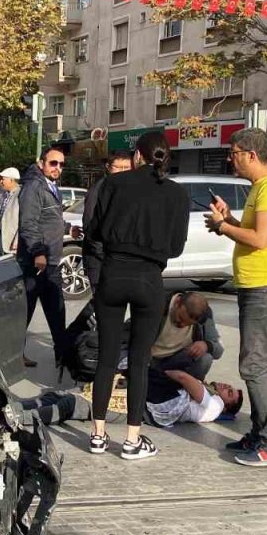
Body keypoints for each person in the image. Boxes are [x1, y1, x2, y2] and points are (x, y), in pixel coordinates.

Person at [85, 132, 190, 459]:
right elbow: (175, 247)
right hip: (149, 279)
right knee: (140, 361)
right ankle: (132, 440)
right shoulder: (178, 194)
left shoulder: (114, 184)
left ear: (138, 156)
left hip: (113, 273)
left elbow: (96, 230)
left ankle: (98, 435)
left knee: (106, 358)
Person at [205, 128, 267, 467]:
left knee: (254, 366)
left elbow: (260, 239)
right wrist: (229, 218)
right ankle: (261, 433)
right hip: (255, 286)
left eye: (234, 152)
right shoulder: (261, 188)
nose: (231, 158)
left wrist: (223, 226)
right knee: (252, 365)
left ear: (252, 155)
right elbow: (254, 236)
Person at [18, 148, 75, 369]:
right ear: (41, 163)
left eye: (61, 164)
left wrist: (69, 229)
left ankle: (62, 356)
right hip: (36, 262)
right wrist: (38, 252)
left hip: (50, 261)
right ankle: (14, 356)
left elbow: (50, 219)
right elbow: (28, 224)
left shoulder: (51, 186)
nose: (57, 168)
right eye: (53, 163)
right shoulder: (34, 186)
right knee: (26, 312)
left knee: (56, 311)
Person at [145, 291, 224, 404]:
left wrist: (206, 345)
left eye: (188, 324)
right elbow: (128, 333)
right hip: (149, 360)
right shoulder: (159, 303)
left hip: (176, 362)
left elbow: (219, 351)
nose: (181, 325)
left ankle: (185, 394)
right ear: (177, 303)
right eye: (180, 318)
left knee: (205, 358)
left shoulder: (204, 316)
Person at [76, 150, 133, 292]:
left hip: (117, 260)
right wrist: (107, 256)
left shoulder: (126, 189)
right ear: (108, 167)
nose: (123, 171)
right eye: (118, 167)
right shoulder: (99, 190)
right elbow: (90, 227)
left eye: (127, 167)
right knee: (102, 304)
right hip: (101, 260)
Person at [146, 370, 243, 428]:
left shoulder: (217, 406)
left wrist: (160, 371)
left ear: (225, 408)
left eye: (229, 393)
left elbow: (183, 377)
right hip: (162, 401)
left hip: (163, 401)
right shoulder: (213, 398)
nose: (226, 386)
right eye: (229, 386)